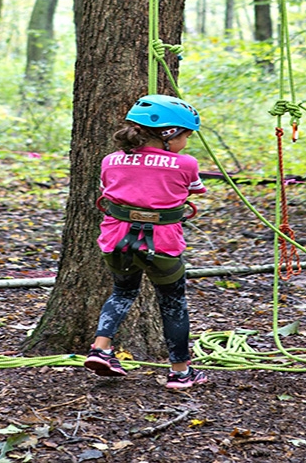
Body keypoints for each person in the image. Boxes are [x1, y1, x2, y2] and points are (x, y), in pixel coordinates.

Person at [83, 94, 208, 390]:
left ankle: (101, 348)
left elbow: (110, 188)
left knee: (122, 293)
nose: (186, 143)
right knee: (173, 302)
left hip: (116, 242)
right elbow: (195, 190)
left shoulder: (110, 160)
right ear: (169, 134)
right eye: (186, 136)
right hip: (162, 244)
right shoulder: (186, 164)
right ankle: (180, 372)